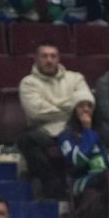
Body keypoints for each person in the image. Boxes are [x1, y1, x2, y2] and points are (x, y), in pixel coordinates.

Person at [18, 42, 93, 200]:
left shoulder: (76, 78)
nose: (49, 60)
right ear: (36, 59)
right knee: (26, 139)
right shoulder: (28, 83)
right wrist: (70, 105)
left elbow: (87, 102)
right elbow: (36, 112)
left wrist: (53, 103)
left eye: (53, 56)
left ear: (59, 58)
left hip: (72, 128)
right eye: (44, 56)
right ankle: (52, 185)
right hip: (45, 132)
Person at [57, 97, 109, 218]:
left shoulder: (103, 131)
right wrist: (87, 130)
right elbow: (78, 161)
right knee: (106, 180)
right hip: (80, 180)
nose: (86, 109)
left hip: (106, 177)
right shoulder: (66, 136)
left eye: (89, 106)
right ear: (74, 111)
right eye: (81, 106)